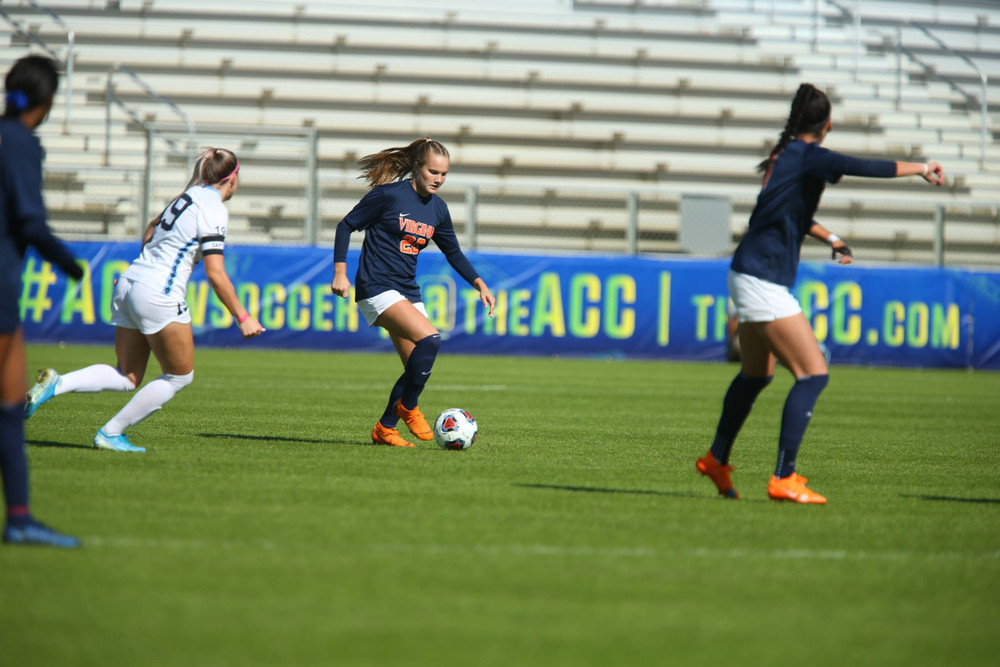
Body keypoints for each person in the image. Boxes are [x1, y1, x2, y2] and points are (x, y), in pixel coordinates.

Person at [696, 83, 944, 504]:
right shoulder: (809, 156)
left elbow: (792, 216)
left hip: (745, 272)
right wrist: (920, 167)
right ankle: (784, 477)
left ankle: (716, 459)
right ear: (826, 125)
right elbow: (860, 164)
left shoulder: (785, 155)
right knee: (813, 374)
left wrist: (831, 237)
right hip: (762, 280)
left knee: (757, 374)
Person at [24, 147, 265, 452]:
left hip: (130, 281)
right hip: (158, 292)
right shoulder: (214, 208)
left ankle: (58, 383)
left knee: (127, 375)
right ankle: (110, 433)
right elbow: (216, 273)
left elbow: (152, 228)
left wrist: (144, 273)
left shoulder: (185, 197)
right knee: (179, 376)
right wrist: (243, 317)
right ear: (233, 179)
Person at [331, 138, 495, 448]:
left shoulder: (438, 209)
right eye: (433, 171)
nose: (439, 179)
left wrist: (479, 283)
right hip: (376, 286)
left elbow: (454, 252)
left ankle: (385, 428)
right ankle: (408, 408)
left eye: (444, 174)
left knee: (417, 367)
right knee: (431, 339)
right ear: (416, 168)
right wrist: (340, 272)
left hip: (407, 290)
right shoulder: (388, 195)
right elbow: (345, 225)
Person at [1, 55, 83, 547]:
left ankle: (21, 518)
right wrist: (70, 265)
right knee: (8, 410)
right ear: (47, 102)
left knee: (11, 407)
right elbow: (30, 222)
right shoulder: (22, 144)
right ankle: (20, 518)